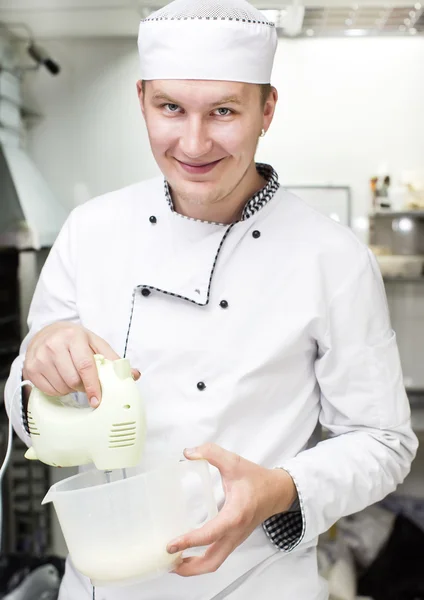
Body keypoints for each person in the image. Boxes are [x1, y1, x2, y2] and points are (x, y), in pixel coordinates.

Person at [5, 0, 418, 598]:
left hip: (256, 580)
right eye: (170, 107)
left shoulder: (333, 258)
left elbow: (384, 441)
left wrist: (279, 489)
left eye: (223, 111)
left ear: (266, 110)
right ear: (141, 97)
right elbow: (29, 409)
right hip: (103, 583)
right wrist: (37, 370)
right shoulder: (90, 231)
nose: (193, 142)